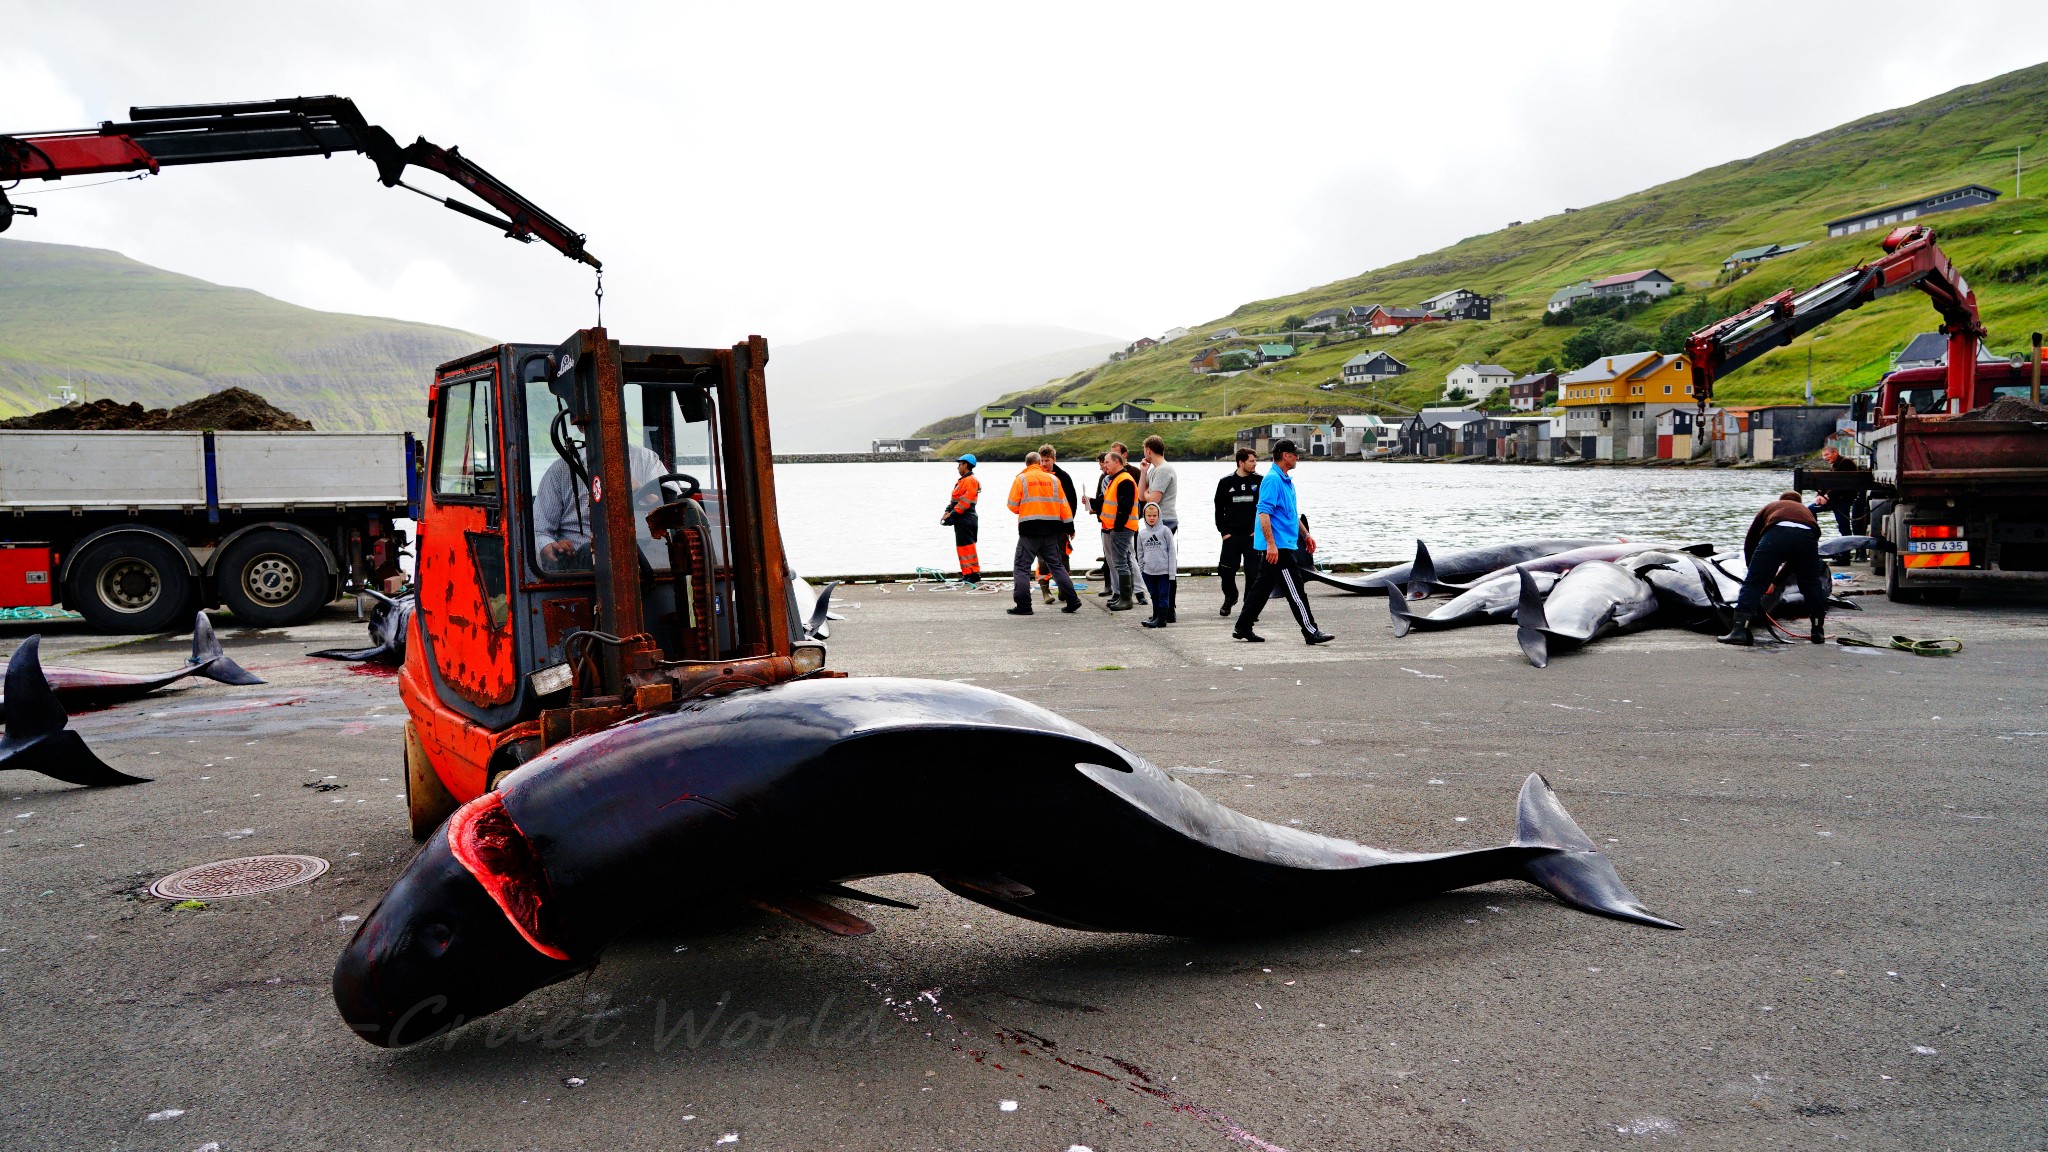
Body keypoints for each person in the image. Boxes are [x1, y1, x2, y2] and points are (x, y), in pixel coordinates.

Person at [1232, 439, 1333, 645]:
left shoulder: (1286, 480)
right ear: (1285, 455)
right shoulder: (1272, 480)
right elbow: (1263, 513)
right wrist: (1271, 544)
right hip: (1278, 548)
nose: (1298, 457)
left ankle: (1242, 626)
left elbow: (1291, 515)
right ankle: (1310, 631)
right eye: (1295, 454)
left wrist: (1306, 535)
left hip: (1283, 545)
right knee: (1296, 590)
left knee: (1261, 589)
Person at [533, 442, 668, 573]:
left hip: (644, 561)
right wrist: (551, 547)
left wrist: (639, 489)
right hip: (580, 568)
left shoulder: (646, 460)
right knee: (590, 549)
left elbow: (673, 510)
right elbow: (539, 531)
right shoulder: (561, 470)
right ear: (580, 426)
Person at [1719, 490, 1829, 647]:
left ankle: (1739, 631)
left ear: (1780, 500)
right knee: (1812, 584)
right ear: (1800, 502)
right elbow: (1794, 562)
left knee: (1753, 583)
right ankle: (1818, 631)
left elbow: (1751, 541)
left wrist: (1754, 571)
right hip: (1807, 536)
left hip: (1777, 531)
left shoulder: (1772, 506)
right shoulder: (1806, 511)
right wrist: (1776, 581)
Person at [1006, 451, 1080, 616]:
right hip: (1051, 530)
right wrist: (1070, 527)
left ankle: (1024, 605)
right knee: (1057, 566)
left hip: (1029, 530)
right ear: (1039, 463)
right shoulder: (1054, 479)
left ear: (1027, 464)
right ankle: (1072, 600)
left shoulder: (1021, 479)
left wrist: (1025, 508)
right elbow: (1064, 506)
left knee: (1022, 567)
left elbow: (1012, 505)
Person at [1213, 447, 1263, 617]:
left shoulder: (1260, 481)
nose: (1255, 464)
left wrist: (1258, 531)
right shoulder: (1225, 482)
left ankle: (1249, 608)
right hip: (1231, 536)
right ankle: (1231, 596)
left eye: (1255, 461)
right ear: (1241, 463)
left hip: (1252, 536)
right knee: (1225, 570)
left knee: (1253, 573)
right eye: (1251, 461)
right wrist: (1224, 532)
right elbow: (1219, 510)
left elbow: (1264, 509)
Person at [1140, 435, 1179, 622]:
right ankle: (1162, 609)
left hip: (1166, 521)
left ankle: (1168, 609)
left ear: (1149, 450)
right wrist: (1142, 472)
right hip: (1153, 522)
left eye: (1144, 450)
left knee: (1165, 566)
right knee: (1155, 565)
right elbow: (1142, 496)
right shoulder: (1153, 470)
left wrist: (1148, 494)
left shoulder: (1164, 470)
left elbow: (1153, 499)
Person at [1810, 446, 1869, 565]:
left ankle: (1845, 556)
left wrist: (1827, 496)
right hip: (1834, 500)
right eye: (1823, 455)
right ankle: (1814, 538)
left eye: (1827, 455)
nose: (1824, 458)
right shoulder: (1835, 465)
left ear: (1835, 452)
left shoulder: (1846, 463)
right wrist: (1819, 496)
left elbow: (1842, 484)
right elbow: (1828, 483)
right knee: (1810, 510)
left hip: (1842, 500)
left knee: (1844, 527)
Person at [1097, 450, 1141, 611]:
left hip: (1122, 528)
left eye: (1107, 462)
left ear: (1117, 462)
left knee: (1121, 561)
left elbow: (1125, 508)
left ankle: (1126, 599)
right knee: (1124, 561)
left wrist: (1116, 528)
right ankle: (1124, 596)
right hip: (1116, 527)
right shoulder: (1114, 480)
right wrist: (1092, 503)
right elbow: (1109, 504)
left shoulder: (1124, 480)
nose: (1104, 465)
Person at [1036, 444, 1079, 604]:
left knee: (1063, 556)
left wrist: (1070, 526)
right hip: (1040, 526)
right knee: (1042, 560)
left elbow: (1071, 503)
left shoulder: (1064, 477)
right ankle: (1045, 590)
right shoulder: (1036, 477)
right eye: (1042, 460)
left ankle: (1063, 588)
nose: (1044, 464)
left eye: (1047, 460)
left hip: (1060, 526)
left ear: (1054, 459)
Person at [1135, 502, 1177, 629]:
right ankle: (1156, 616)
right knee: (1154, 595)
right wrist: (1142, 571)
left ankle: (1161, 620)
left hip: (1163, 572)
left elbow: (1171, 552)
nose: (1152, 518)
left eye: (1154, 515)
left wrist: (1171, 573)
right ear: (1144, 516)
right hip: (1149, 572)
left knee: (1164, 595)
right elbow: (1140, 553)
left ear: (1159, 515)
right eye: (1149, 515)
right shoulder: (1142, 534)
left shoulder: (1165, 531)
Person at [941, 454, 981, 585]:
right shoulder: (963, 480)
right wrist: (948, 511)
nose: (958, 467)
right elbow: (955, 500)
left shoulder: (969, 480)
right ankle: (968, 573)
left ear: (965, 465)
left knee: (967, 547)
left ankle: (973, 574)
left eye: (959, 464)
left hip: (966, 517)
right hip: (962, 517)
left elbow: (964, 502)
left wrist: (952, 515)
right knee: (963, 547)